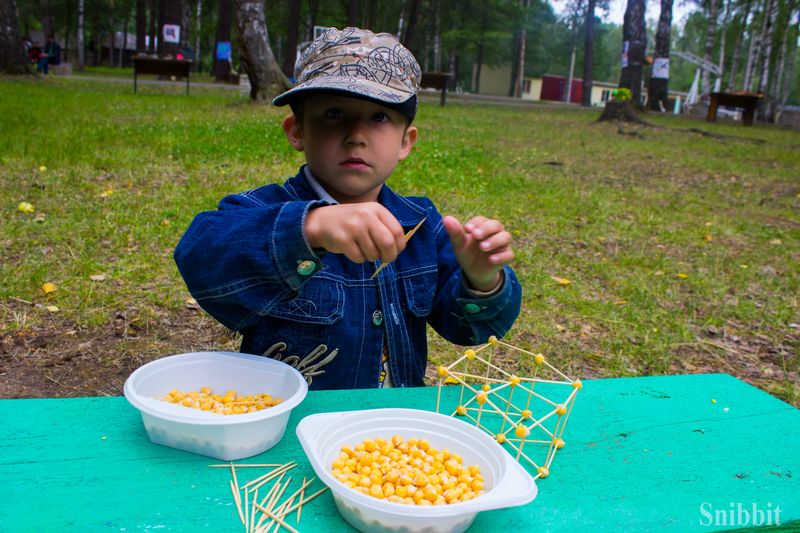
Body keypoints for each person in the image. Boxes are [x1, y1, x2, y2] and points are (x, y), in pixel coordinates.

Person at [174, 27, 522, 390]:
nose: (357, 134)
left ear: (406, 142)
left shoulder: (422, 225)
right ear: (297, 131)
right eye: (335, 113)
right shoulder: (261, 210)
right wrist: (311, 228)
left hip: (392, 438)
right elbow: (200, 256)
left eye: (380, 117)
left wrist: (482, 282)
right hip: (292, 428)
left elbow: (470, 329)